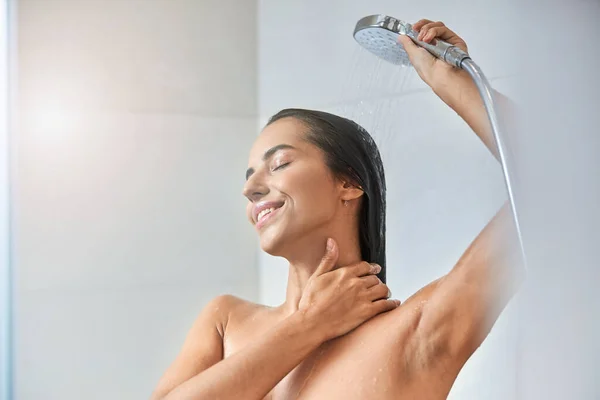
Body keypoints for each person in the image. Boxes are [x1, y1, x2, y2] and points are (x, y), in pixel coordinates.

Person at [150, 19, 524, 400]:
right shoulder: (226, 323)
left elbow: (562, 186)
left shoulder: (418, 332)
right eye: (250, 175)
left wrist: (457, 86)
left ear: (348, 184)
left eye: (279, 164)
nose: (250, 188)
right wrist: (308, 325)